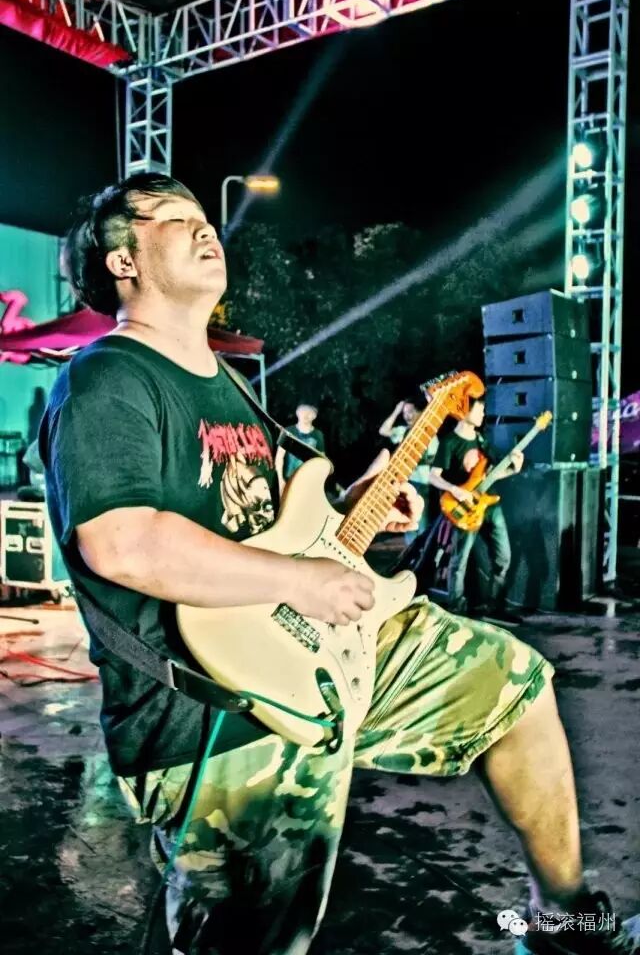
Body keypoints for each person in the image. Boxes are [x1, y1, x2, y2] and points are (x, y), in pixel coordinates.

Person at [39, 173, 637, 955]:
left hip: (310, 651)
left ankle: (563, 923)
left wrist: (357, 506)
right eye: (173, 218)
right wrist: (302, 580)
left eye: (203, 214)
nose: (204, 226)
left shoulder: (229, 386)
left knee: (514, 686)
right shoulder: (107, 378)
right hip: (214, 712)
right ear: (122, 261)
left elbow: (276, 522)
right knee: (258, 937)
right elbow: (121, 542)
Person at [429, 395, 521, 621]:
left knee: (503, 558)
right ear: (464, 411)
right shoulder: (449, 442)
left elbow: (491, 476)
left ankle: (495, 607)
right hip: (464, 508)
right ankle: (456, 611)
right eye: (479, 410)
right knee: (459, 562)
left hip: (489, 505)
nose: (483, 414)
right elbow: (433, 476)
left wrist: (513, 469)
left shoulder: (482, 441)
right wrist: (454, 490)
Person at [379, 397, 439, 545]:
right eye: (405, 413)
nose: (407, 416)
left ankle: (422, 552)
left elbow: (434, 460)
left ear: (419, 412)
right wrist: (396, 410)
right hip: (407, 481)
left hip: (424, 483)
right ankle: (411, 551)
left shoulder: (428, 432)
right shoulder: (403, 431)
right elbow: (383, 430)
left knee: (422, 522)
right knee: (408, 521)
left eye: (411, 411)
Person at [274, 402, 325, 492]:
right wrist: (280, 480)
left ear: (315, 416)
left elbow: (321, 461)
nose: (306, 415)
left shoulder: (318, 435)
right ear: (297, 412)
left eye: (310, 412)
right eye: (303, 410)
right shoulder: (288, 432)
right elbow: (279, 458)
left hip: (307, 483)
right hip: (288, 481)